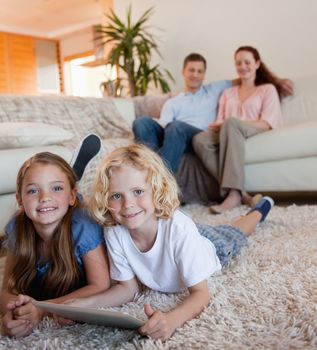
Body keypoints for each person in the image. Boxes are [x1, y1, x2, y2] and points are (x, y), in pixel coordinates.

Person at [67, 144, 275, 341]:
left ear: (156, 190)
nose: (128, 205)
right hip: (176, 231)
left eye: (138, 192)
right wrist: (81, 305)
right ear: (106, 199)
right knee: (207, 227)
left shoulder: (180, 228)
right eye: (116, 196)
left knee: (234, 231)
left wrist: (172, 320)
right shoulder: (114, 230)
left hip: (210, 247)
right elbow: (127, 289)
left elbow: (201, 294)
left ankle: (260, 210)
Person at [0, 150, 110, 338]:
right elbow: (7, 290)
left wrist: (42, 309)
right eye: (33, 191)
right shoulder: (18, 228)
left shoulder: (82, 226)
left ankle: (74, 177)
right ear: (20, 200)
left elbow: (100, 285)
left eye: (56, 188)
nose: (45, 198)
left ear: (72, 196)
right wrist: (14, 313)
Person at [132, 52, 293, 177]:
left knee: (177, 127)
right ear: (183, 72)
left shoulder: (215, 89)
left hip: (198, 136)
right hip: (174, 136)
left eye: (199, 71)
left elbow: (245, 76)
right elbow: (162, 127)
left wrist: (277, 81)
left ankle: (160, 181)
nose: (195, 74)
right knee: (141, 122)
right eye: (191, 70)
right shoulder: (173, 102)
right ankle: (149, 171)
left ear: (204, 74)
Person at [193, 46, 286, 214]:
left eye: (247, 62)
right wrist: (223, 124)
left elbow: (267, 122)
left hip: (254, 129)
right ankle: (242, 194)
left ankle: (233, 194)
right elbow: (220, 120)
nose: (242, 66)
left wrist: (233, 123)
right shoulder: (228, 93)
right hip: (228, 130)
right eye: (238, 63)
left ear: (257, 64)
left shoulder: (267, 89)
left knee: (231, 123)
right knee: (199, 139)